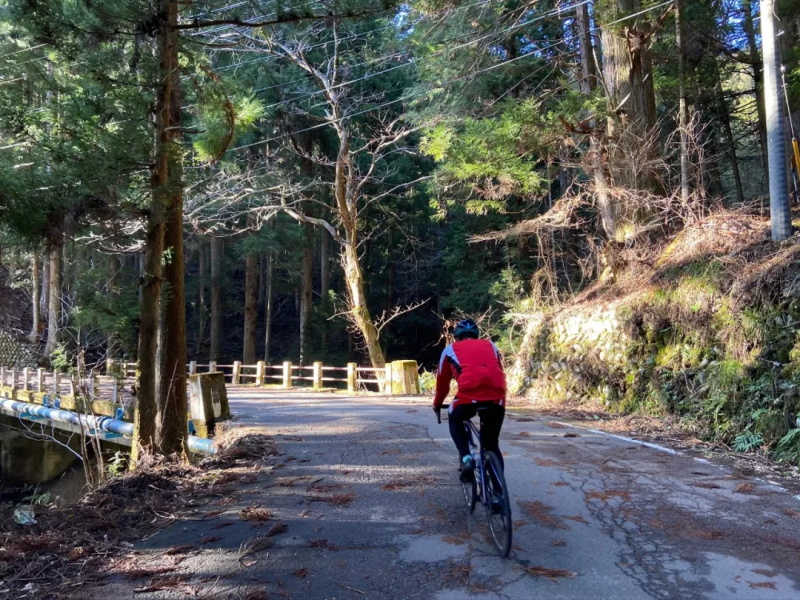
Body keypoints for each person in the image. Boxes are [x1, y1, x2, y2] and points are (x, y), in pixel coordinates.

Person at [432, 319, 507, 483]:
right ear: (476, 335)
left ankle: (466, 458)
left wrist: (437, 404)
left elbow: (442, 385)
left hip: (468, 395)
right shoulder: (490, 345)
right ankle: (497, 494)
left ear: (456, 337)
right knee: (491, 445)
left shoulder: (450, 349)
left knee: (454, 416)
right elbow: (498, 371)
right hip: (497, 396)